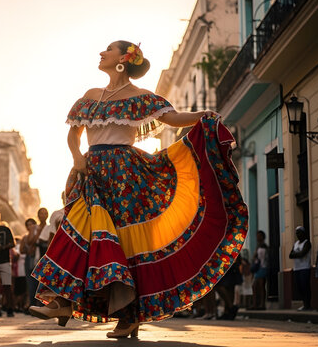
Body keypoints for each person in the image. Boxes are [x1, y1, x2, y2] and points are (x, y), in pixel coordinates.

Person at [28, 41, 248, 339]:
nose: (101, 52)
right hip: (90, 171)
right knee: (77, 226)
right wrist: (77, 157)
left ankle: (128, 316)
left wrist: (203, 116)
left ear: (123, 59)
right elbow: (73, 133)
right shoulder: (91, 95)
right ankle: (62, 299)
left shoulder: (140, 97)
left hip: (125, 174)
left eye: (108, 49)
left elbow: (172, 119)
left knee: (126, 243)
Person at [289, 226, 311, 311]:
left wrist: (296, 254)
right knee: (299, 287)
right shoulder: (296, 244)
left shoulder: (307, 243)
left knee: (305, 286)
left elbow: (303, 253)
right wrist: (298, 254)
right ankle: (304, 303)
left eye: (299, 232)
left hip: (305, 267)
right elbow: (290, 255)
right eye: (296, 233)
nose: (298, 234)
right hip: (296, 268)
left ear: (303, 233)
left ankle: (307, 305)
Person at [21, 218, 41, 308]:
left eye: (32, 224)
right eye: (28, 225)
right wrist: (27, 249)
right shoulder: (25, 237)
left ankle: (39, 304)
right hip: (29, 260)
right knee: (30, 284)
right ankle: (32, 304)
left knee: (38, 283)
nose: (30, 226)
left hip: (38, 259)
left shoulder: (39, 234)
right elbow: (22, 250)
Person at [250, 231, 268, 310]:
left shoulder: (265, 247)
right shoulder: (258, 246)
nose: (257, 237)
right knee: (254, 286)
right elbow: (255, 257)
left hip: (263, 267)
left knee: (261, 286)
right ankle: (255, 304)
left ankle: (262, 304)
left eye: (259, 236)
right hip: (258, 268)